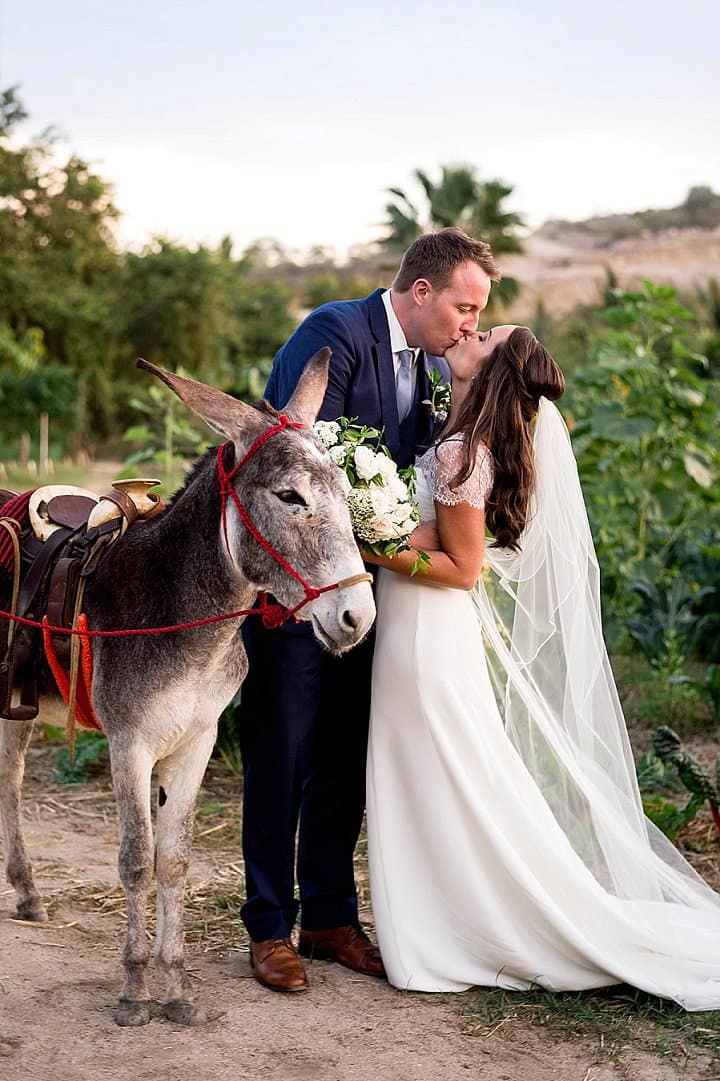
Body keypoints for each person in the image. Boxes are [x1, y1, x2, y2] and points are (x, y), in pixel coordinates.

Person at [362, 325, 720, 1009]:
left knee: (441, 774)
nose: (470, 331)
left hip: (426, 633)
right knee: (434, 774)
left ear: (492, 368)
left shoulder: (465, 453)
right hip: (419, 629)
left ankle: (454, 930)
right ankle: (438, 919)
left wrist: (373, 544)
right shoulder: (457, 437)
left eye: (484, 333)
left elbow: (463, 569)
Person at [239, 228, 501, 991]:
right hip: (298, 589)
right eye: (463, 305)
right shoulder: (333, 332)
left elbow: (409, 467)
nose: (469, 324)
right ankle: (266, 925)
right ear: (421, 292)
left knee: (346, 752)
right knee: (281, 751)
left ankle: (327, 914)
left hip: (366, 593)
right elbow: (297, 456)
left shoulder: (425, 363)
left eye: (478, 311)